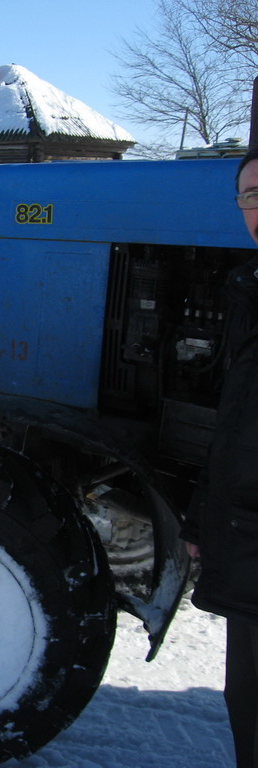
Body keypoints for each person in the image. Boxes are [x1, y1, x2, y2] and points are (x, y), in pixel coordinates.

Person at [184, 145, 258, 768]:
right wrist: (202, 518)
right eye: (251, 196)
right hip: (245, 541)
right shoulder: (251, 290)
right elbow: (237, 429)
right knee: (248, 703)